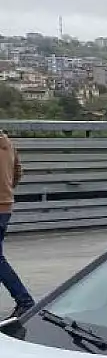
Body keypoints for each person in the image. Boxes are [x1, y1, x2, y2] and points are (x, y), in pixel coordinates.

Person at [0, 132, 33, 318]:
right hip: (5, 208)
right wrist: (6, 192)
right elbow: (18, 171)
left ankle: (25, 301)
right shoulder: (8, 142)